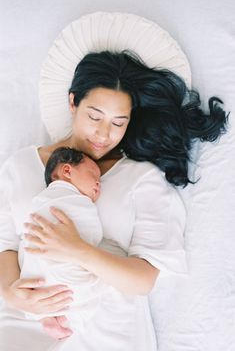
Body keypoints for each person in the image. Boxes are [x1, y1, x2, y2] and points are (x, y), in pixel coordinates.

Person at [0, 51, 228, 351]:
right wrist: (11, 294)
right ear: (72, 102)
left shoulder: (141, 178)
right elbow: (6, 246)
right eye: (94, 116)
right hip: (26, 324)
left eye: (118, 123)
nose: (103, 134)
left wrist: (78, 250)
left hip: (105, 333)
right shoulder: (20, 166)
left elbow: (142, 280)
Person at [20, 147, 105, 338]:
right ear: (67, 171)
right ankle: (70, 315)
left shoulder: (40, 201)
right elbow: (93, 235)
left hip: (35, 282)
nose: (99, 184)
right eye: (94, 175)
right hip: (60, 273)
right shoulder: (75, 202)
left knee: (34, 261)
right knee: (99, 281)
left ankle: (47, 317)